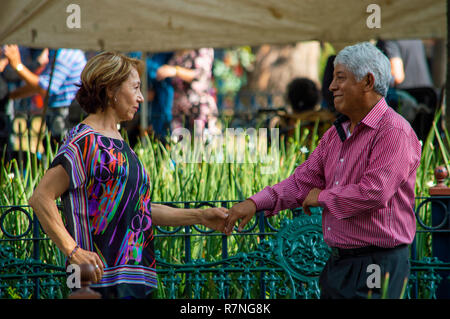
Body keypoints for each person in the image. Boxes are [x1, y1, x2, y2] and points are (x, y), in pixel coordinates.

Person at [224, 42, 422, 299]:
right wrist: (253, 203)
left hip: (377, 263)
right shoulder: (335, 135)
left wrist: (323, 197)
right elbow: (301, 183)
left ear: (368, 82)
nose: (331, 86)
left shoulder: (393, 132)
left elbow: (374, 192)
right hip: (339, 263)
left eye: (340, 78)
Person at [28, 51, 228, 299]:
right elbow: (40, 197)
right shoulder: (84, 141)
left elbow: (138, 209)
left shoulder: (120, 143)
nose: (141, 97)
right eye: (135, 88)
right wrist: (73, 251)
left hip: (133, 278)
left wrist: (201, 216)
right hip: (96, 281)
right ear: (111, 90)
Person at [4, 45, 86, 141]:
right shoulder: (56, 51)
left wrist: (17, 65)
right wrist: (9, 96)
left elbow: (46, 88)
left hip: (66, 115)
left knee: (59, 147)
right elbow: (39, 85)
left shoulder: (66, 53)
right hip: (59, 113)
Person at [156, 49, 219, 135]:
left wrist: (175, 70)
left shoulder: (202, 49)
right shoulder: (174, 50)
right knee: (178, 146)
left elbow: (200, 73)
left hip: (199, 109)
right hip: (178, 111)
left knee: (200, 144)